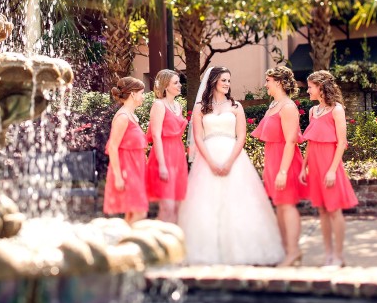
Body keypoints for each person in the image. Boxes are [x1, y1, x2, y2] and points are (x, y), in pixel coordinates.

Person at [178, 67, 284, 265]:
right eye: (223, 80)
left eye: (229, 80)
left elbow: (241, 136)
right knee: (205, 204)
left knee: (238, 202)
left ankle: (242, 251)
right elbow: (198, 138)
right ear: (214, 81)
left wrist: (228, 161)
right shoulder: (201, 107)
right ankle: (207, 252)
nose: (227, 83)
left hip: (233, 157)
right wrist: (209, 161)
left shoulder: (236, 106)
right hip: (207, 157)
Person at [299, 70, 358, 267]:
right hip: (314, 166)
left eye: (310, 87)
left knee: (334, 210)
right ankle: (328, 255)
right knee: (322, 211)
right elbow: (310, 142)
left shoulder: (337, 110)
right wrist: (303, 167)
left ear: (321, 87)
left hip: (330, 166)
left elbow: (341, 143)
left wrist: (333, 170)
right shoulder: (312, 111)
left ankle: (339, 257)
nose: (307, 91)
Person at [251, 66, 309, 267]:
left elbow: (291, 141)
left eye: (268, 80)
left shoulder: (287, 107)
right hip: (273, 159)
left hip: (285, 160)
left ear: (278, 82)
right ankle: (286, 250)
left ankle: (293, 251)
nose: (265, 84)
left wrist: (283, 171)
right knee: (280, 206)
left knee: (287, 205)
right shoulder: (273, 105)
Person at [103, 77, 149, 224]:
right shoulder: (123, 117)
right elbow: (113, 147)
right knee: (139, 212)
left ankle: (126, 242)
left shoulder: (132, 116)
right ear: (133, 94)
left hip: (136, 169)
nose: (144, 96)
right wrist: (118, 177)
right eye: (142, 93)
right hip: (126, 170)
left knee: (133, 212)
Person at [146, 69, 188, 223]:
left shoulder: (178, 106)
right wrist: (162, 165)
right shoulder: (159, 105)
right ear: (165, 86)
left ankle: (173, 243)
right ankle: (158, 242)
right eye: (175, 83)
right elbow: (156, 135)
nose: (179, 85)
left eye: (179, 82)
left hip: (178, 155)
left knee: (177, 206)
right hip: (163, 155)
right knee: (167, 207)